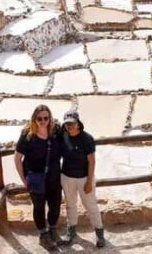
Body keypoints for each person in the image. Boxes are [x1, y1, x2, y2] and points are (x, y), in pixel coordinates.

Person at [14, 105, 63, 249]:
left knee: (55, 205)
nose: (43, 121)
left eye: (46, 118)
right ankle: (43, 235)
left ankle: (52, 229)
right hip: (35, 177)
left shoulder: (56, 131)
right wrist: (24, 179)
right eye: (39, 118)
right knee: (39, 207)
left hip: (54, 177)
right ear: (34, 119)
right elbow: (17, 158)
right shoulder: (27, 135)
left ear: (50, 118)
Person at [59, 110, 105, 247]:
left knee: (91, 206)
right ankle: (71, 230)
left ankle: (99, 233)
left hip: (84, 178)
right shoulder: (63, 136)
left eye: (72, 124)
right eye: (67, 124)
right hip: (67, 177)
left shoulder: (86, 138)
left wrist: (89, 181)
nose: (70, 126)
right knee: (70, 205)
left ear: (78, 123)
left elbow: (92, 161)